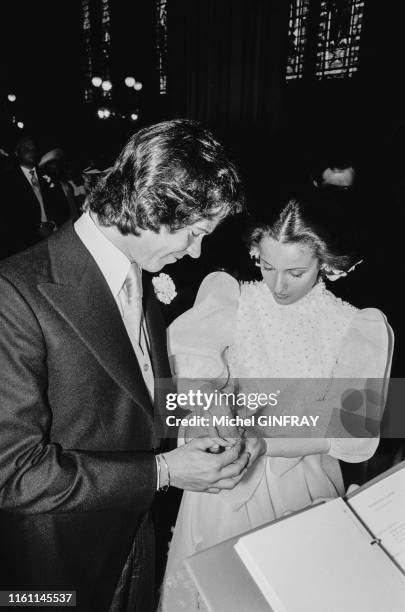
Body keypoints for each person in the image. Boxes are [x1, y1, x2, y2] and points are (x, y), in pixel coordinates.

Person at [0, 119, 250, 612]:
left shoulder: (142, 272)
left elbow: (130, 401)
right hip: (53, 567)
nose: (196, 251)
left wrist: (201, 430)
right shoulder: (16, 294)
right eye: (194, 233)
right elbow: (12, 474)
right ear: (151, 207)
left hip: (133, 538)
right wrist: (162, 471)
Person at [160, 195, 393, 611]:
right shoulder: (232, 298)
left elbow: (352, 432)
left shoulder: (356, 326)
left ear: (324, 262)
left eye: (295, 272)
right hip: (223, 482)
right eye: (267, 266)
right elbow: (185, 372)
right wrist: (213, 406)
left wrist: (266, 442)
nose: (278, 285)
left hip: (300, 484)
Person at [0, 136, 61, 259]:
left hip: (54, 234)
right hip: (25, 242)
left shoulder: (48, 175)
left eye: (33, 148)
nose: (31, 151)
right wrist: (37, 228)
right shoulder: (7, 180)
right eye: (27, 148)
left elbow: (59, 203)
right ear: (17, 153)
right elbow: (8, 213)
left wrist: (53, 223)